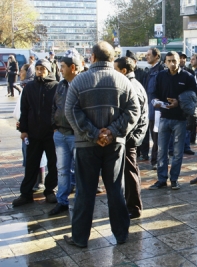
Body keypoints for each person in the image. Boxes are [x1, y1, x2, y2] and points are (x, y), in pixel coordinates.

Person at [63, 41, 140, 248]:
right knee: (115, 189)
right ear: (112, 58)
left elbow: (70, 111)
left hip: (86, 145)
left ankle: (79, 238)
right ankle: (122, 235)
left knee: (85, 191)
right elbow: (134, 112)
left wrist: (93, 133)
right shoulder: (123, 81)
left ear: (93, 57)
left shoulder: (79, 81)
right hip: (114, 146)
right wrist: (112, 132)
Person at [12, 59, 59, 207]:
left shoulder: (56, 87)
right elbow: (24, 110)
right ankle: (26, 194)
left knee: (53, 164)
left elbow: (59, 109)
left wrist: (57, 127)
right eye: (37, 68)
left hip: (51, 133)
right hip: (33, 133)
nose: (40, 71)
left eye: (42, 69)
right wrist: (24, 130)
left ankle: (50, 190)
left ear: (48, 70)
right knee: (31, 164)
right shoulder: (30, 87)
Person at [149, 51, 197, 190]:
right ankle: (161, 179)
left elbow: (194, 96)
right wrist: (156, 101)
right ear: (165, 62)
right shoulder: (160, 76)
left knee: (177, 152)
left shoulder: (187, 76)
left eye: (174, 60)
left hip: (180, 119)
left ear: (180, 61)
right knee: (161, 151)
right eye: (169, 61)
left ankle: (174, 179)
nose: (172, 63)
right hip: (163, 117)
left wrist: (179, 102)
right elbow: (153, 92)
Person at [114, 56, 149, 219]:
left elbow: (136, 115)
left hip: (130, 137)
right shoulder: (131, 84)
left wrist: (132, 136)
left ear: (123, 71)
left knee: (130, 173)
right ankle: (131, 205)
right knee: (129, 172)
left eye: (115, 69)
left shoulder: (131, 86)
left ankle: (134, 207)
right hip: (131, 136)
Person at [49, 49, 81, 215]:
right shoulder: (60, 85)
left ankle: (79, 203)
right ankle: (62, 201)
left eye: (62, 66)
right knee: (62, 169)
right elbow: (54, 106)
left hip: (76, 135)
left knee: (79, 170)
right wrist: (54, 125)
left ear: (73, 67)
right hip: (60, 134)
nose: (60, 69)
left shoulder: (82, 83)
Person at [139, 48, 165, 169]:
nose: (146, 57)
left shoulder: (160, 70)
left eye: (149, 55)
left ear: (157, 56)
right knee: (153, 136)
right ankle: (155, 160)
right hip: (150, 109)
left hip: (157, 110)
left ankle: (157, 161)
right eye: (146, 55)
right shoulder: (150, 71)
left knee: (157, 137)